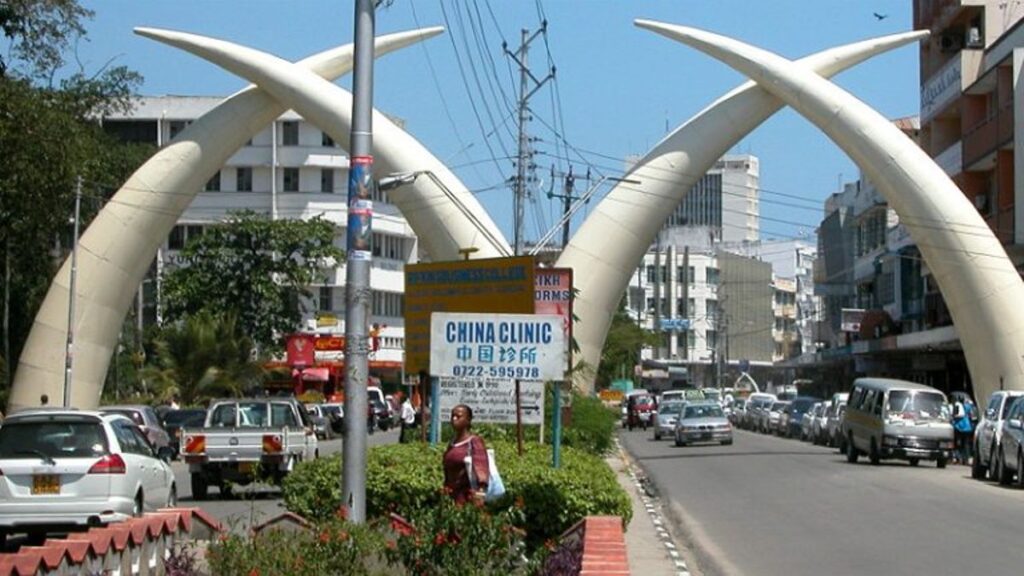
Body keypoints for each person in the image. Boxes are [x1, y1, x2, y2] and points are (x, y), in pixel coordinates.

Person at [442, 404, 489, 504]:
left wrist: (480, 493)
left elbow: (482, 467)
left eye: (458, 416)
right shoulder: (452, 443)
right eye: (452, 416)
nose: (454, 419)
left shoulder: (474, 441)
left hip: (467, 497)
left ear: (468, 420)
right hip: (452, 496)